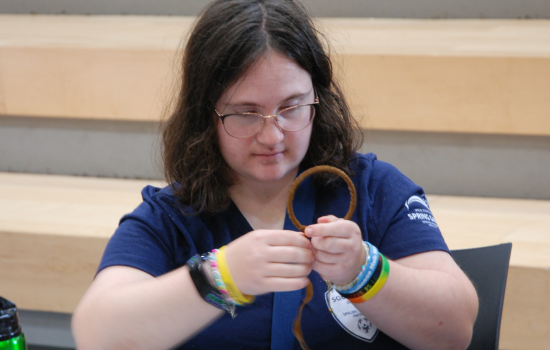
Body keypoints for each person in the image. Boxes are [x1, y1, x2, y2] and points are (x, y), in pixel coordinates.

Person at [71, 1, 478, 349]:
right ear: (205, 116)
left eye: (292, 107)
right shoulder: (172, 217)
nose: (272, 135)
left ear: (318, 100)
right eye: (246, 113)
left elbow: (456, 328)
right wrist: (221, 276)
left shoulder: (373, 188)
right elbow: (95, 333)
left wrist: (364, 269)